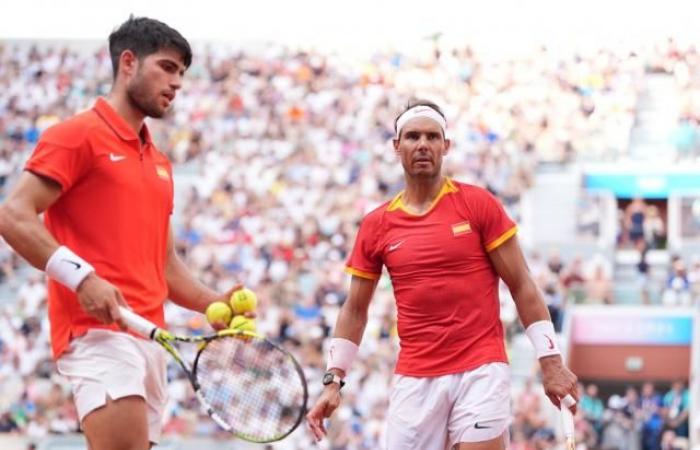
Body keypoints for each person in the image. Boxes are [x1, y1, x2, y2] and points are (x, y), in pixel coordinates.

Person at [0, 17, 242, 450]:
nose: (177, 83)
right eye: (167, 67)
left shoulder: (162, 164)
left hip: (150, 340)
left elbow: (165, 267)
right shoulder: (75, 136)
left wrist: (214, 304)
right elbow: (13, 215)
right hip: (96, 334)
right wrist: (82, 278)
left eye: (182, 73)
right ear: (128, 62)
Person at [306, 99, 578, 450]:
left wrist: (551, 362)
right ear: (396, 146)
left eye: (432, 137)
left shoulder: (478, 204)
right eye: (413, 136)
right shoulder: (377, 224)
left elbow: (522, 284)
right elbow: (355, 309)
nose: (423, 144)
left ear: (445, 146)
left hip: (481, 369)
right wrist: (334, 379)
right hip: (415, 378)